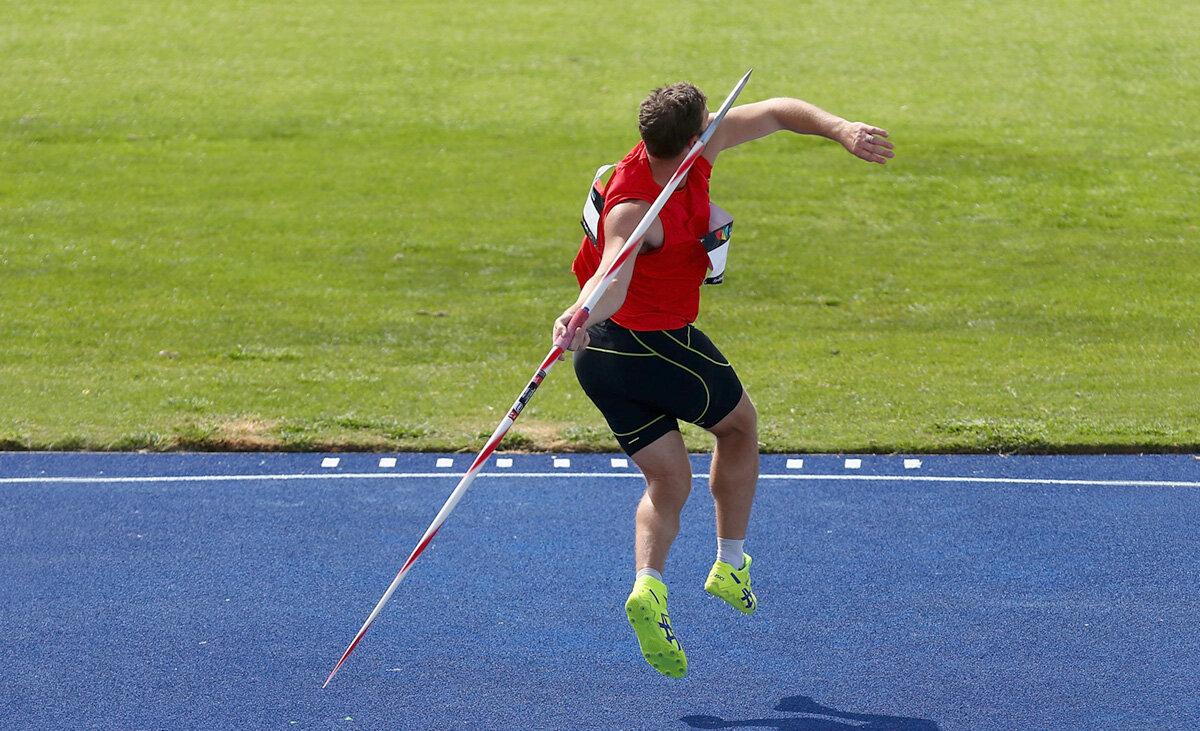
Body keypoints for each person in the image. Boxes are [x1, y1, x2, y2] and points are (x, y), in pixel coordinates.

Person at [552, 80, 893, 678]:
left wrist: (841, 129)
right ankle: (730, 563)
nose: (717, 125)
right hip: (645, 344)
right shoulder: (635, 209)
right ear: (691, 138)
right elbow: (611, 274)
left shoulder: (687, 153)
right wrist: (580, 313)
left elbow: (780, 112)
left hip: (598, 359)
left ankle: (649, 590)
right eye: (708, 122)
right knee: (739, 427)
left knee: (667, 480)